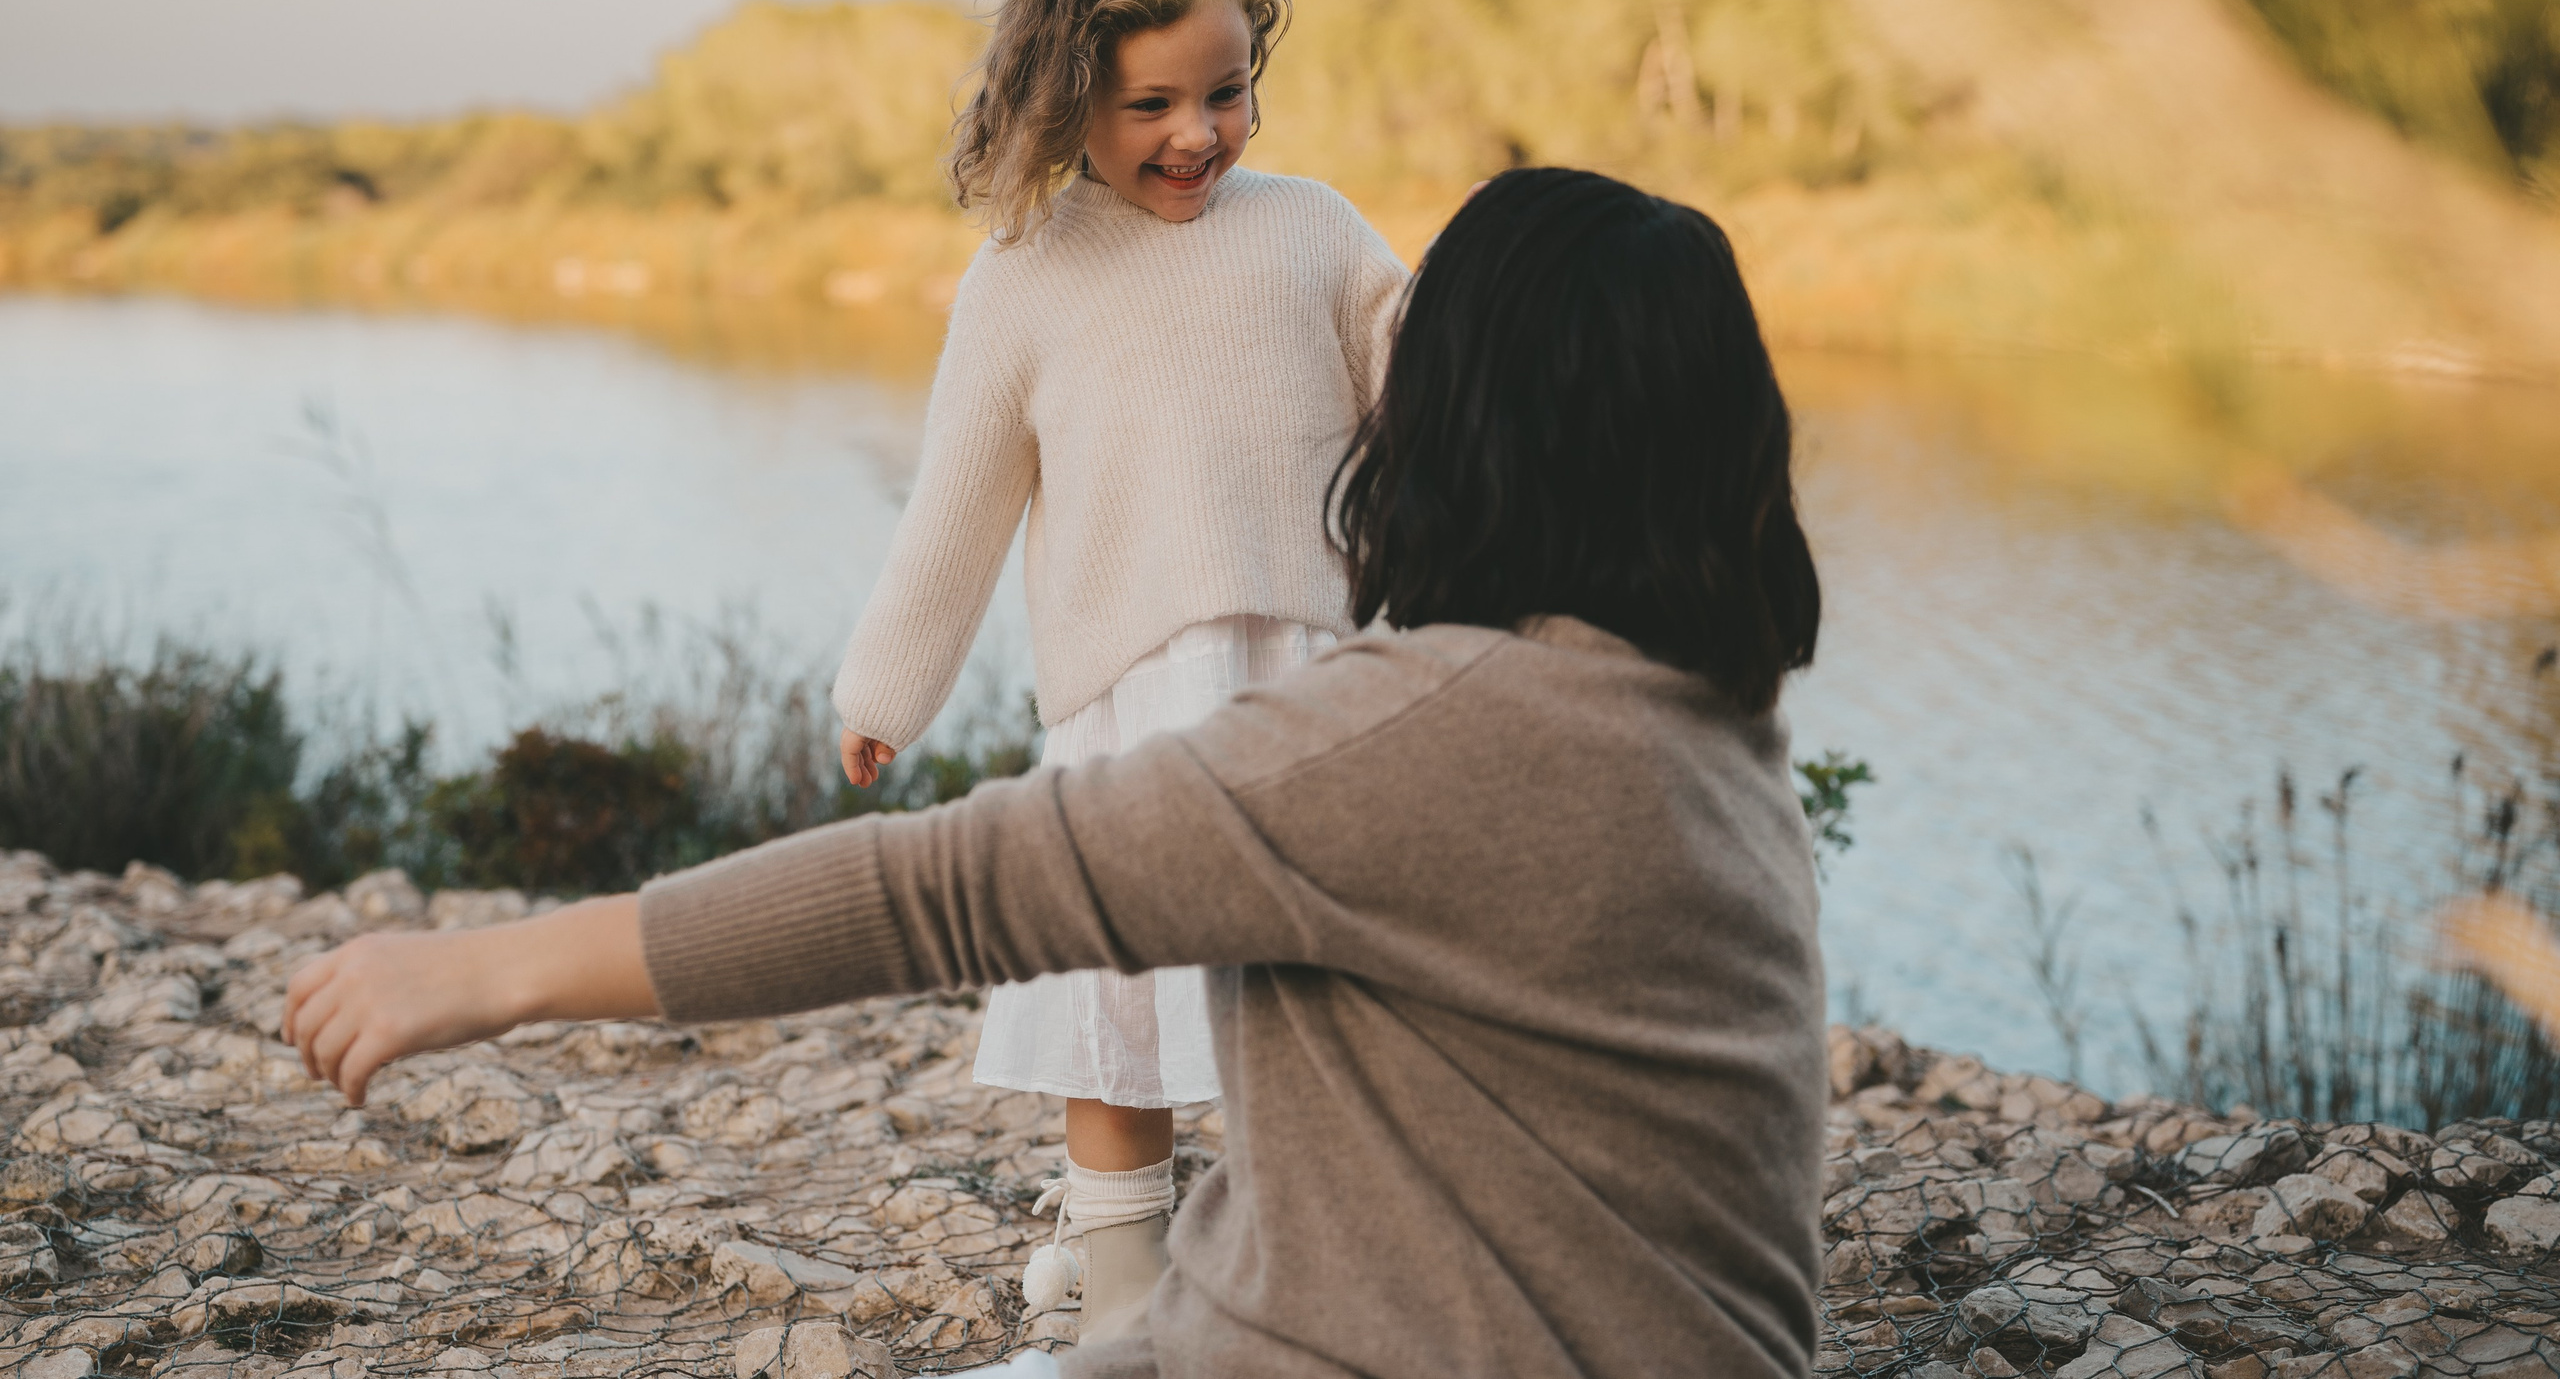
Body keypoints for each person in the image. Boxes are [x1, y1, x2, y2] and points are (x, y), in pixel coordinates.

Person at [283, 167, 1831, 1379]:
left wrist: (483, 970)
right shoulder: (1708, 725)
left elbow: (939, 893)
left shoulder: (1434, 737)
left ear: (1472, 422)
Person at [829, 0, 1410, 1324]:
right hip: (1128, 704)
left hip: (1312, 687)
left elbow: (1436, 397)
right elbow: (957, 511)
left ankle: (1293, 1255)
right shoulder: (1027, 274)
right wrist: (885, 691)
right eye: (1151, 104)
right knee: (1124, 1011)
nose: (1197, 133)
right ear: (1063, 97)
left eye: (1225, 90)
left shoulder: (1316, 229)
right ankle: (1123, 1273)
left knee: (1311, 997)